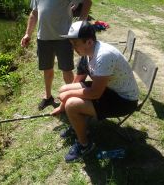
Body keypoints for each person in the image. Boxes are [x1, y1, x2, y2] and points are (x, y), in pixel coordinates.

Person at [51, 20, 139, 162]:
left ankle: (85, 145)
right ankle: (78, 126)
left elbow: (95, 93)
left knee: (72, 105)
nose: (73, 47)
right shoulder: (87, 53)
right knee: (63, 90)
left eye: (75, 43)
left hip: (124, 100)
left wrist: (68, 98)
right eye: (71, 43)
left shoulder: (103, 56)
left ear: (89, 42)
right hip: (109, 91)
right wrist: (62, 102)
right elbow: (78, 81)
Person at [20, 0, 92, 111]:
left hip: (63, 38)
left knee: (67, 69)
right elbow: (34, 13)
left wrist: (81, 23)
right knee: (47, 69)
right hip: (43, 38)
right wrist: (27, 34)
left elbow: (86, 2)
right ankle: (48, 96)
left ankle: (72, 100)